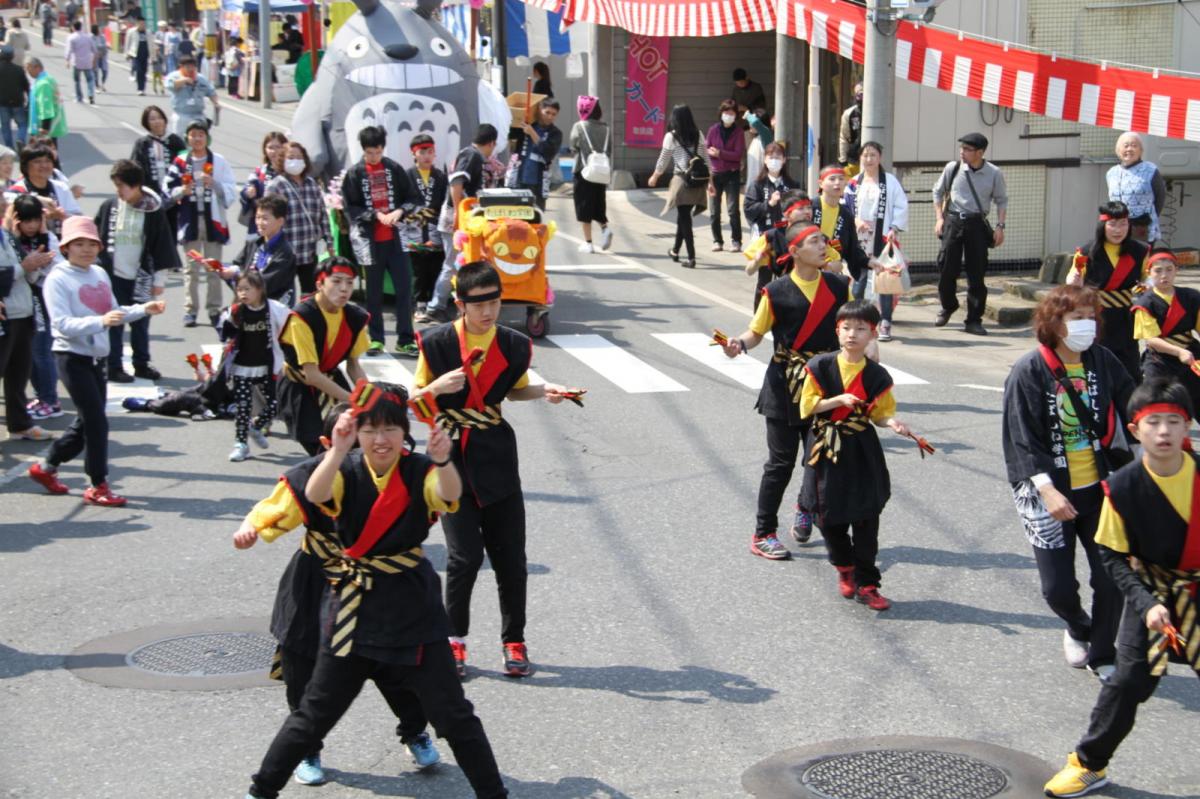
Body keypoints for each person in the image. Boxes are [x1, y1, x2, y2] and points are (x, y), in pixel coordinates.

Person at [241, 390, 509, 799]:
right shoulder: (342, 470)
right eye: (370, 430)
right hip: (351, 608)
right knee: (312, 714)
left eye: (390, 429)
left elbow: (451, 494)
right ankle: (260, 792)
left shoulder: (420, 470)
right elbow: (314, 495)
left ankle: (494, 794)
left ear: (404, 432)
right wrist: (338, 451)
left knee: (455, 715)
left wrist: (444, 459)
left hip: (412, 609)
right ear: (356, 433)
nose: (380, 439)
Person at [231, 404, 442, 786]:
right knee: (304, 670)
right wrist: (249, 529)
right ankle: (307, 748)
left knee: (398, 670)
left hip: (378, 586)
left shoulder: (392, 475)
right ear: (328, 442)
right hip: (315, 581)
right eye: (346, 438)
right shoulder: (311, 476)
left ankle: (414, 731)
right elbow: (270, 510)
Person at [1042, 380, 1200, 798]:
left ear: (1188, 429)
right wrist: (1146, 603)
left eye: (1174, 422)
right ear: (1135, 430)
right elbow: (1111, 556)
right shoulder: (1123, 487)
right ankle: (1089, 765)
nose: (1164, 432)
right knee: (1128, 682)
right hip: (1149, 590)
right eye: (1154, 423)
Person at [415, 262, 572, 678]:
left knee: (511, 558)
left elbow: (517, 390)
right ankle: (454, 641)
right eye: (478, 303)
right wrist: (435, 388)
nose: (488, 311)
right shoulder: (436, 344)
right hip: (451, 458)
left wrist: (546, 390)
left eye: (495, 301)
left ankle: (514, 641)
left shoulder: (515, 344)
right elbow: (414, 404)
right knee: (464, 557)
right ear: (460, 304)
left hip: (497, 452)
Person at [1002, 284, 1134, 680]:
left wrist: (1163, 414)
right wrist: (1047, 489)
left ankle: (1103, 652)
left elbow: (1135, 402)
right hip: (1047, 491)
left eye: (1092, 317)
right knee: (1056, 588)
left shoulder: (1103, 361)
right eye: (1077, 317)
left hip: (1102, 488)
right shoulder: (1029, 370)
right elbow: (1021, 437)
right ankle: (1078, 626)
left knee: (1111, 577)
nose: (1087, 325)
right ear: (1054, 322)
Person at [719, 222, 851, 559]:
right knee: (780, 464)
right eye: (814, 242)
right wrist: (738, 345)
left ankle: (805, 507)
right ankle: (763, 532)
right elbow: (755, 333)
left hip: (824, 385)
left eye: (824, 240)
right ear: (794, 252)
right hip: (784, 385)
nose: (823, 247)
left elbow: (849, 328)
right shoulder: (775, 292)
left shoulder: (838, 286)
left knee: (819, 458)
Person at [28, 217, 165, 505]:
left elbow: (113, 312)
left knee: (86, 421)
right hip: (71, 356)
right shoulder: (57, 279)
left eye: (92, 244)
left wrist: (143, 309)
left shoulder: (100, 274)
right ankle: (98, 484)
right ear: (66, 247)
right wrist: (99, 321)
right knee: (96, 422)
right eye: (79, 244)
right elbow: (62, 324)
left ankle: (45, 467)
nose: (86, 250)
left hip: (96, 358)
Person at [798, 300, 917, 610]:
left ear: (873, 334)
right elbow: (806, 407)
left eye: (861, 329)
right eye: (846, 328)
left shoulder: (878, 375)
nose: (852, 334)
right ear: (837, 331)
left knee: (866, 517)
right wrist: (837, 399)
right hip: (825, 447)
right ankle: (844, 566)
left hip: (861, 449)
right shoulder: (818, 367)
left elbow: (880, 414)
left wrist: (892, 422)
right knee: (827, 517)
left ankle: (868, 583)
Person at [341, 125, 425, 357]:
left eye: (377, 152)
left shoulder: (394, 169)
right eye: (370, 153)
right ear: (363, 150)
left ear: (382, 148)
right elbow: (351, 206)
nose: (374, 157)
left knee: (404, 289)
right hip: (370, 242)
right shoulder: (355, 173)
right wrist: (376, 215)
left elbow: (413, 197)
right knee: (374, 293)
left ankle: (405, 338)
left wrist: (399, 212)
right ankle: (376, 338)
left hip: (396, 239)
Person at [95, 159, 177, 383]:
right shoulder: (109, 206)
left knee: (141, 321)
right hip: (114, 275)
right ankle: (113, 365)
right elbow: (96, 237)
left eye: (122, 186)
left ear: (136, 185)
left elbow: (162, 244)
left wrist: (159, 279)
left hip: (141, 275)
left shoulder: (152, 210)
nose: (118, 191)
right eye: (116, 186)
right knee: (115, 321)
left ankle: (141, 364)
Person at [277, 258, 369, 456]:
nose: (344, 289)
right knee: (321, 448)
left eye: (349, 282)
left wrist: (369, 396)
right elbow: (312, 375)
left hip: (332, 381)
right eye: (336, 281)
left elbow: (354, 365)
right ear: (319, 284)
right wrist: (354, 400)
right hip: (301, 387)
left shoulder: (354, 317)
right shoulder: (302, 317)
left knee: (355, 441)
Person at [932, 132, 1007, 336]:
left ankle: (974, 319)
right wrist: (940, 218)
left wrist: (1000, 226)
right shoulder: (953, 168)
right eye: (961, 148)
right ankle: (948, 305)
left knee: (977, 272)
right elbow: (937, 192)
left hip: (977, 223)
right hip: (953, 221)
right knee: (947, 267)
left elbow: (1001, 200)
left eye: (967, 149)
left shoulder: (994, 173)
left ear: (980, 152)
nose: (962, 152)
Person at [423, 123, 498, 324]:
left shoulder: (470, 153)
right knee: (452, 264)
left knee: (462, 263)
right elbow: (456, 183)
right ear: (491, 143)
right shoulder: (472, 155)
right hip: (457, 217)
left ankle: (458, 304)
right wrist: (458, 212)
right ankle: (435, 307)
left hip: (463, 217)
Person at [165, 119, 237, 328]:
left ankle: (214, 309)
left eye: (200, 135)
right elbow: (167, 189)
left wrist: (213, 183)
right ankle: (190, 310)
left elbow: (231, 188)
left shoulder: (219, 161)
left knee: (214, 269)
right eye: (193, 134)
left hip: (213, 220)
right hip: (190, 220)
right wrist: (181, 191)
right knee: (191, 269)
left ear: (207, 137)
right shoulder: (180, 161)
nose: (196, 139)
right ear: (187, 137)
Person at [1065, 202, 1147, 382]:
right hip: (1096, 317)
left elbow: (1147, 279)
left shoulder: (1140, 251)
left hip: (1126, 318)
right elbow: (1073, 277)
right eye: (1113, 224)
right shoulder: (1086, 251)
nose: (1118, 230)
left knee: (1130, 371)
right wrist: (1074, 281)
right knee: (1095, 367)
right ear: (1103, 225)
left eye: (1123, 224)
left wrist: (1145, 286)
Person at [0, 196, 54, 443]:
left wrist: (36, 265)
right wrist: (25, 266)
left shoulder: (7, 234)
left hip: (23, 311)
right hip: (5, 315)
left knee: (18, 373)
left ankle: (20, 424)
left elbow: (26, 270)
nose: (4, 204)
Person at [217, 269, 285, 462]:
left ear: (260, 289)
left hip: (266, 365)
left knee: (275, 403)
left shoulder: (274, 309)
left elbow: (291, 325)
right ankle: (241, 444)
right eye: (239, 290)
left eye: (247, 289)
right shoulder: (237, 311)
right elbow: (223, 331)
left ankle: (256, 427)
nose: (243, 294)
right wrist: (228, 321)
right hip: (242, 366)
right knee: (243, 406)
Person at [11, 193, 64, 421]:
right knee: (29, 352)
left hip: (43, 298)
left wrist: (38, 266)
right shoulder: (10, 239)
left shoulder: (48, 238)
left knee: (42, 351)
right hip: (23, 301)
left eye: (35, 220)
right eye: (26, 220)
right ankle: (41, 396)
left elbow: (58, 267)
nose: (31, 226)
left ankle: (50, 400)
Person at [848, 141, 908, 341]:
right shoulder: (854, 181)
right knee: (858, 282)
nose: (868, 159)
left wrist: (894, 228)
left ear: (880, 157)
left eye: (873, 155)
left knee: (884, 283)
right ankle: (856, 320)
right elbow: (845, 206)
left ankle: (885, 322)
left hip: (881, 236)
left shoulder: (889, 181)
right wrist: (855, 221)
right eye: (865, 155)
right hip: (859, 239)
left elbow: (901, 206)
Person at [1132, 249, 1200, 415]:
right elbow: (1152, 340)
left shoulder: (1191, 297)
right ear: (1149, 273)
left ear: (1177, 270)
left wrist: (1185, 352)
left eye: (1169, 269)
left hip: (1190, 353)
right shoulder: (1145, 303)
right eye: (1158, 270)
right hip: (1159, 360)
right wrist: (1179, 351)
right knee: (1158, 402)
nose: (1164, 275)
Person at [648, 104, 712, 270]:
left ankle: (691, 257)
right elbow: (706, 159)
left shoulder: (671, 136)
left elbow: (663, 159)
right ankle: (675, 251)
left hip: (682, 181)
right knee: (683, 217)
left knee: (685, 220)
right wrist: (710, 182)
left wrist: (655, 176)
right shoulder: (699, 134)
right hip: (698, 182)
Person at [267, 140, 330, 296]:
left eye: (298, 157)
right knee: (283, 295)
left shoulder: (312, 184)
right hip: (285, 252)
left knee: (310, 295)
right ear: (283, 159)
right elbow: (268, 220)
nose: (295, 160)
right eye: (291, 157)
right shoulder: (276, 186)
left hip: (309, 251)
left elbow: (323, 216)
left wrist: (329, 242)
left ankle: (306, 321)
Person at [221, 194, 298, 305]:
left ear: (280, 221)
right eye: (257, 217)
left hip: (273, 311)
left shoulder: (286, 252)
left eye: (265, 218)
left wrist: (235, 274)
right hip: (249, 306)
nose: (259, 223)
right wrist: (222, 270)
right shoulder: (253, 244)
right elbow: (237, 265)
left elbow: (266, 283)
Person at [401, 133, 446, 320]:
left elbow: (444, 202)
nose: (427, 156)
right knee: (418, 271)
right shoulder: (407, 175)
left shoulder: (441, 176)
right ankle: (419, 305)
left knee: (436, 268)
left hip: (436, 230)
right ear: (414, 154)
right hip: (414, 230)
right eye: (422, 152)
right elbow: (402, 202)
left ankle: (434, 305)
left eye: (430, 152)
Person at [745, 191, 812, 308]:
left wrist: (829, 265)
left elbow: (835, 263)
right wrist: (756, 260)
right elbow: (749, 271)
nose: (807, 212)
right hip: (773, 301)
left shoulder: (816, 236)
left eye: (809, 207)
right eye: (801, 208)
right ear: (787, 214)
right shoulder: (771, 236)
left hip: (806, 299)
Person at [813, 165, 871, 291]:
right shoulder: (810, 208)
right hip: (808, 271)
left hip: (832, 272)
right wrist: (825, 263)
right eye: (832, 179)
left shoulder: (846, 214)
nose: (837, 183)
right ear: (821, 183)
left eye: (841, 179)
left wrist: (869, 262)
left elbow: (853, 248)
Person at [569, 94, 613, 254]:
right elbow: (609, 150)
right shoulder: (606, 128)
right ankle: (605, 229)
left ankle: (588, 243)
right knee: (598, 204)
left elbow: (573, 146)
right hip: (601, 172)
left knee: (584, 207)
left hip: (584, 171)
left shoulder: (579, 127)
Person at [1106, 132, 1165, 244]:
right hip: (1117, 227)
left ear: (1141, 150)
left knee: (1140, 259)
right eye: (1126, 145)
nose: (1129, 149)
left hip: (1142, 226)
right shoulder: (1111, 173)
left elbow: (1160, 197)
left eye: (1134, 145)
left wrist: (1149, 217)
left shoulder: (1151, 170)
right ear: (1118, 150)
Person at [704, 100, 746, 253]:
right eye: (726, 113)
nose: (728, 116)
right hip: (714, 174)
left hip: (732, 174)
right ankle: (717, 240)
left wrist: (720, 153)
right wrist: (711, 153)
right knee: (714, 210)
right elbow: (706, 149)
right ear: (721, 114)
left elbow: (738, 154)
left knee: (733, 209)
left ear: (736, 115)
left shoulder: (739, 132)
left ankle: (736, 241)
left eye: (732, 113)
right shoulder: (713, 130)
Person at [12, 145, 80, 237]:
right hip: (28, 246)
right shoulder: (17, 190)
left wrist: (61, 215)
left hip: (58, 244)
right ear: (25, 166)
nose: (44, 165)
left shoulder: (61, 188)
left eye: (48, 161)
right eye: (37, 162)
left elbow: (77, 217)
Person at [509, 97, 561, 210]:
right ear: (539, 110)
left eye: (554, 114)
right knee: (516, 215)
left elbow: (548, 153)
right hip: (519, 176)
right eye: (547, 112)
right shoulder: (527, 126)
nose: (550, 117)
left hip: (539, 181)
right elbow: (510, 134)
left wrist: (532, 133)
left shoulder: (555, 133)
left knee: (537, 216)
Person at [743, 141, 800, 240]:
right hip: (764, 235)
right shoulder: (757, 185)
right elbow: (749, 210)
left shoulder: (792, 185)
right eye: (771, 157)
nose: (774, 161)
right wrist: (769, 204)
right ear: (765, 160)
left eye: (777, 158)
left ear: (784, 160)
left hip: (787, 235)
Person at [240, 131, 288, 240]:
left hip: (284, 227)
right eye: (270, 148)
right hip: (260, 227)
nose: (274, 151)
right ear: (265, 150)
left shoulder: (290, 173)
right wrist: (248, 192)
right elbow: (246, 192)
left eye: (278, 147)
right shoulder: (259, 171)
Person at [129, 105, 184, 196]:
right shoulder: (142, 143)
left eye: (160, 118)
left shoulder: (175, 141)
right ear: (146, 123)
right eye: (152, 119)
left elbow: (185, 163)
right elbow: (135, 167)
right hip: (149, 193)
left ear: (165, 120)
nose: (157, 121)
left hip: (174, 192)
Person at [165, 55, 218, 137]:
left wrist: (215, 103)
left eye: (193, 67)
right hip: (182, 115)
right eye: (188, 67)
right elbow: (170, 85)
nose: (191, 69)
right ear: (181, 67)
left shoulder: (200, 78)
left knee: (199, 140)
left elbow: (211, 92)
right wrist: (184, 80)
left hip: (198, 115)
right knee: (180, 140)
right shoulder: (174, 76)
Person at [25, 58, 65, 145]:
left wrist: (45, 127)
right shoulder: (47, 79)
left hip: (44, 127)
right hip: (46, 126)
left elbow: (45, 106)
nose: (28, 73)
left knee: (45, 154)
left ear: (37, 68)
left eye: (29, 69)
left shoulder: (43, 83)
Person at [0, 47, 29, 149]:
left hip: (2, 103)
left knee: (5, 126)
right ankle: (20, 138)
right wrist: (29, 102)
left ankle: (9, 147)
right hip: (17, 102)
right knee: (22, 124)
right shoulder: (18, 69)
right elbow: (26, 86)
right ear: (12, 57)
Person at [63, 21, 96, 104]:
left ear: (73, 27)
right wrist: (93, 60)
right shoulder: (88, 37)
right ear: (81, 27)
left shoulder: (71, 38)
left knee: (77, 80)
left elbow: (69, 50)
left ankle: (79, 97)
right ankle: (91, 94)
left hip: (76, 62)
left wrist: (67, 60)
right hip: (87, 61)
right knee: (90, 79)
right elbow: (94, 50)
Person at [123, 18, 152, 96]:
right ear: (137, 23)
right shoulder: (131, 32)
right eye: (141, 23)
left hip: (145, 54)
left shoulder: (148, 32)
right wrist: (126, 54)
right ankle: (140, 89)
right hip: (135, 54)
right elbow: (127, 43)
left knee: (144, 71)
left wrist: (153, 56)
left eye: (144, 23)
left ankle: (143, 88)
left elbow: (151, 44)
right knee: (139, 70)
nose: (143, 25)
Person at [838, 83, 863, 171]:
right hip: (854, 159)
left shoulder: (879, 113)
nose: (862, 98)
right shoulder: (850, 113)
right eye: (860, 95)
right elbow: (844, 137)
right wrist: (843, 160)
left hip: (874, 160)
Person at [91, 24, 108, 92]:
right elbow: (92, 47)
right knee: (95, 71)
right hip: (95, 57)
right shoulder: (91, 37)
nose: (100, 30)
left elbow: (104, 46)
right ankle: (96, 86)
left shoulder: (102, 37)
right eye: (98, 29)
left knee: (105, 71)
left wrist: (101, 52)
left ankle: (103, 84)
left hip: (103, 56)